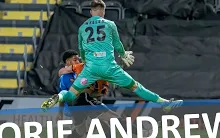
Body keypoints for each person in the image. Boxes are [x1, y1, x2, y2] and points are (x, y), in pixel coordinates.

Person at [41, 0, 183, 111]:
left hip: (91, 68)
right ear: (103, 11)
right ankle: (164, 103)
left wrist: (86, 63)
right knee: (136, 87)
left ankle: (58, 97)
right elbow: (117, 44)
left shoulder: (82, 28)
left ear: (91, 12)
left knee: (71, 94)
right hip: (109, 67)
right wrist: (123, 54)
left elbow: (81, 50)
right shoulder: (110, 24)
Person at [57, 50, 121, 138]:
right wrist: (60, 112)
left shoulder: (81, 72)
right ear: (67, 62)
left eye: (79, 59)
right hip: (74, 108)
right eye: (75, 59)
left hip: (85, 104)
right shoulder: (66, 77)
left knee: (103, 130)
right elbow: (70, 94)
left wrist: (101, 86)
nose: (78, 61)